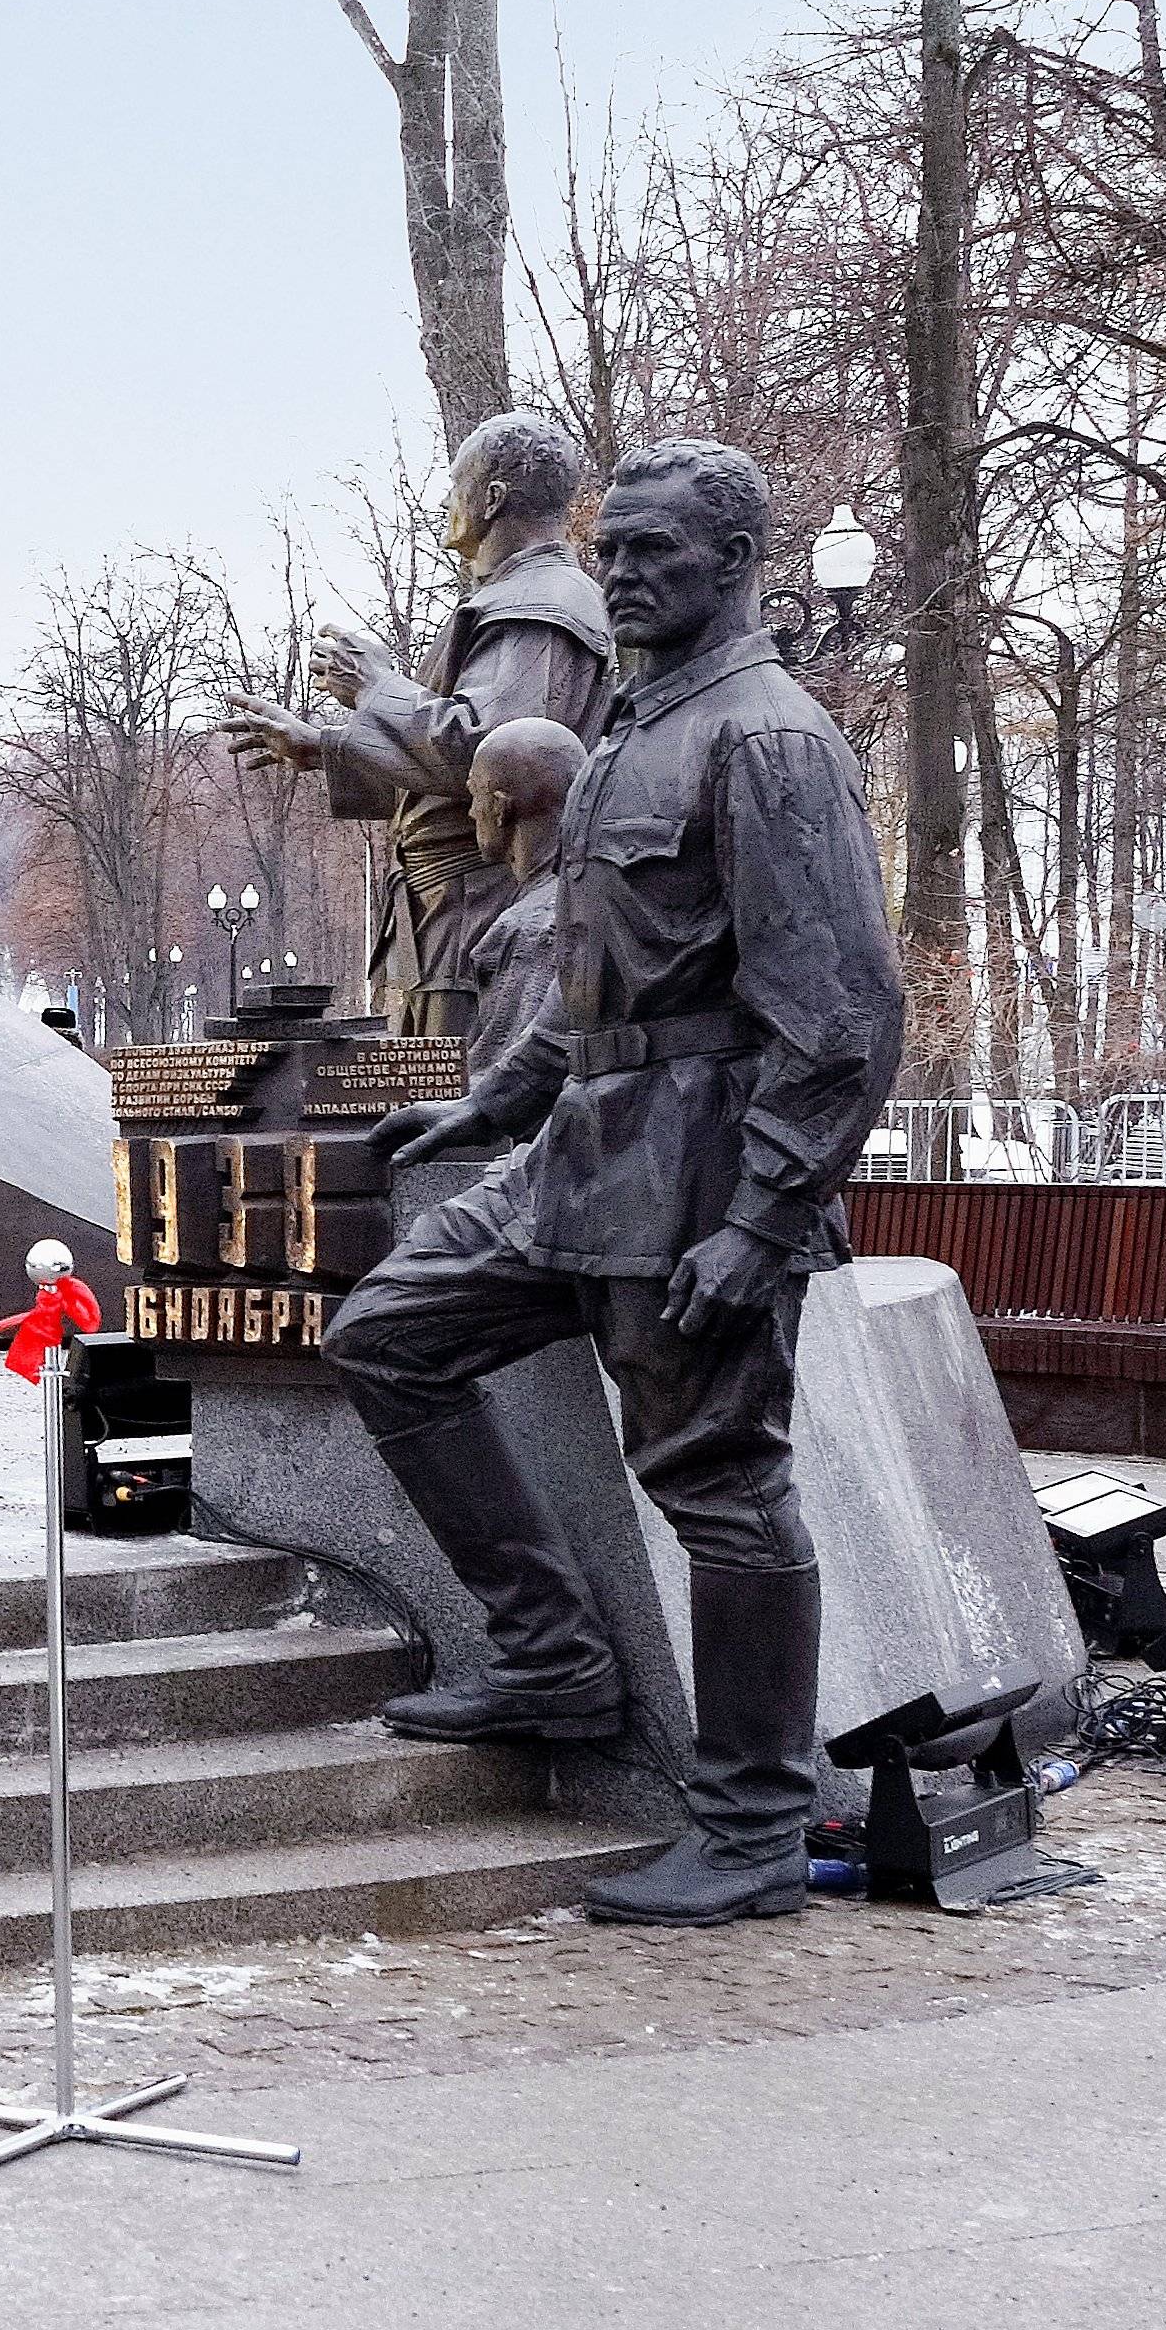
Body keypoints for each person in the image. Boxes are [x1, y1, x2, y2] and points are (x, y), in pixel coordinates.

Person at [323, 439, 902, 1929]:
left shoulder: (767, 738)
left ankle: (761, 1827)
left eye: (655, 552)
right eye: (614, 546)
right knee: (388, 1335)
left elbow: (841, 1019)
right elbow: (589, 997)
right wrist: (481, 1105)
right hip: (577, 1154)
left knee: (720, 1483)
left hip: (701, 1176)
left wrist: (766, 1221)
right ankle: (553, 1656)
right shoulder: (632, 731)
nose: (623, 572)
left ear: (735, 565)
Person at [218, 412, 614, 1033]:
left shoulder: (539, 607)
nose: (444, 500)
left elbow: (499, 758)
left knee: (463, 1114)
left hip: (479, 911)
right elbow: (449, 766)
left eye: (455, 483)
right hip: (450, 917)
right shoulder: (513, 600)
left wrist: (376, 685)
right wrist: (323, 747)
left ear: (491, 499)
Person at [456, 715, 584, 1076]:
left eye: (474, 794)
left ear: (500, 808)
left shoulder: (529, 928)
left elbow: (498, 1075)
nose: (470, 812)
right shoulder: (590, 894)